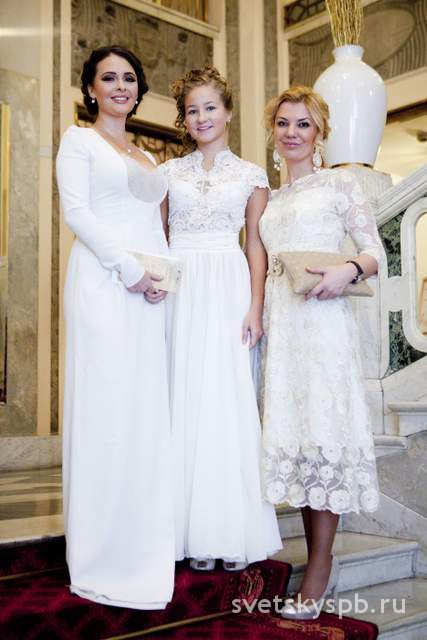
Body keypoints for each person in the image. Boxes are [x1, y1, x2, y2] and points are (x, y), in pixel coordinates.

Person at [56, 45, 175, 609]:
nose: (121, 86)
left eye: (130, 77)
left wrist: (161, 278)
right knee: (104, 410)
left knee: (143, 412)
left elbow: (155, 227)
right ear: (91, 88)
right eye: (109, 78)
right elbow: (77, 213)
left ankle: (142, 543)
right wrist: (129, 271)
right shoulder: (78, 141)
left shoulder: (148, 156)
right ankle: (101, 553)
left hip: (149, 291)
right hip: (104, 285)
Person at [260, 86, 382, 619]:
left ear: (320, 133)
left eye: (303, 124)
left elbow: (374, 251)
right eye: (283, 123)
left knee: (325, 435)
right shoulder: (268, 198)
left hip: (325, 327)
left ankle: (319, 567)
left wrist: (346, 270)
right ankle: (315, 559)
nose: (292, 133)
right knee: (302, 442)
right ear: (273, 131)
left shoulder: (339, 183)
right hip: (282, 331)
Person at [162, 66, 282, 572]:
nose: (202, 117)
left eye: (210, 107)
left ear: (228, 112)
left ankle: (226, 529)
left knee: (224, 401)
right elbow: (158, 239)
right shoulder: (168, 174)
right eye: (192, 110)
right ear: (184, 120)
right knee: (180, 398)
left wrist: (255, 306)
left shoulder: (252, 176)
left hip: (229, 289)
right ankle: (180, 530)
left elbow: (256, 245)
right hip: (180, 290)